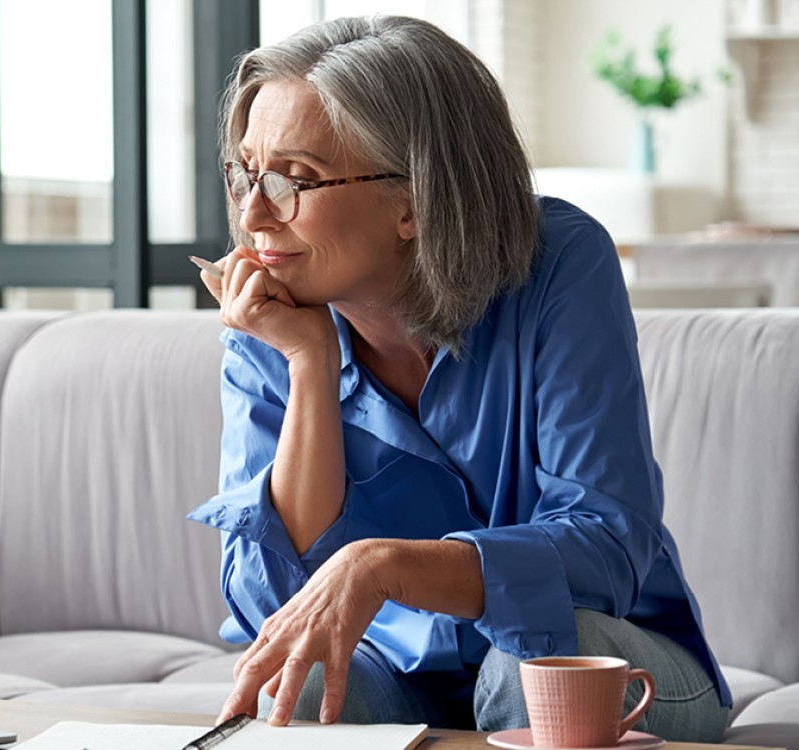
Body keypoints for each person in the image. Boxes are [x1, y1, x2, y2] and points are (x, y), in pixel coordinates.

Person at [185, 15, 731, 739]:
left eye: (295, 179)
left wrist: (384, 566)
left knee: (527, 666)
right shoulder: (273, 317)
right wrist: (309, 365)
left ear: (413, 200)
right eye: (245, 173)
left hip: (608, 657)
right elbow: (273, 605)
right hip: (398, 671)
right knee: (304, 680)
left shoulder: (560, 264)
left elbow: (606, 546)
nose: (254, 214)